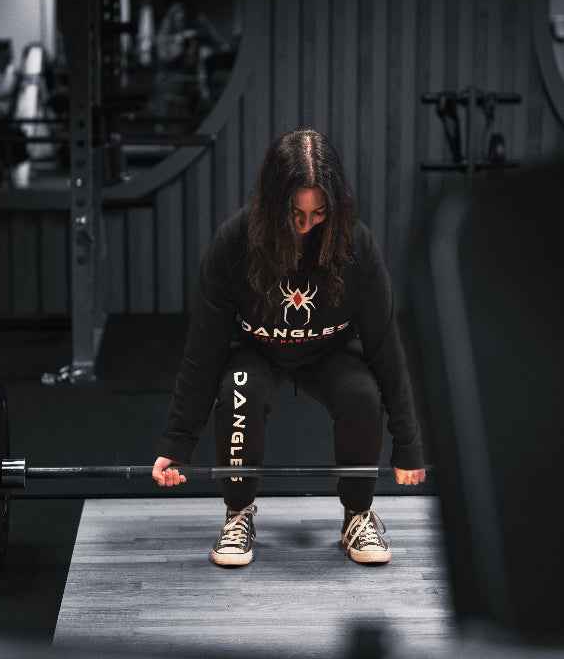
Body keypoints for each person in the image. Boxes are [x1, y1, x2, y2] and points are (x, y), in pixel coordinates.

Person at [151, 128, 426, 567]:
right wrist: (177, 443)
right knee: (239, 388)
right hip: (256, 350)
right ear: (272, 202)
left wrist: (408, 445)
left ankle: (358, 514)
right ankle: (238, 511)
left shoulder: (356, 246)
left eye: (318, 213)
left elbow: (386, 349)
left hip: (330, 351)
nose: (305, 225)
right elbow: (204, 351)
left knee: (362, 394)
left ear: (335, 207)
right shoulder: (235, 243)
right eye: (294, 213)